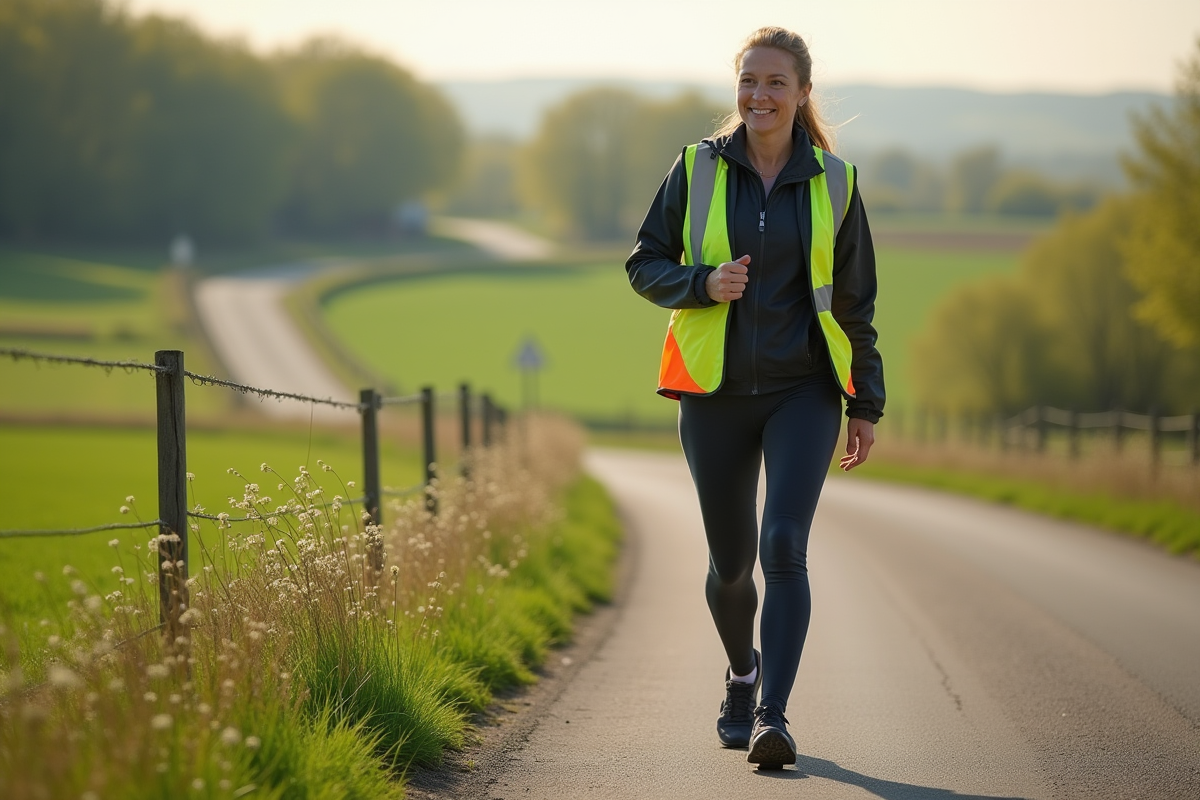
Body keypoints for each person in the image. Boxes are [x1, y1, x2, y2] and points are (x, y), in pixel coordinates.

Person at [625, 26, 884, 769]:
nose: (759, 95)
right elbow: (643, 264)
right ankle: (743, 675)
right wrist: (701, 283)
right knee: (732, 565)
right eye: (748, 80)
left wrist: (865, 404)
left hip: (804, 390)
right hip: (713, 392)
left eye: (775, 82)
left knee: (784, 547)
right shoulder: (696, 168)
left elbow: (855, 306)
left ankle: (773, 715)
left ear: (802, 93)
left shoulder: (837, 182)